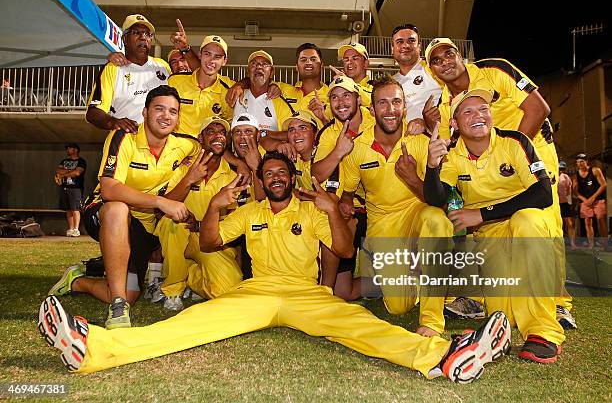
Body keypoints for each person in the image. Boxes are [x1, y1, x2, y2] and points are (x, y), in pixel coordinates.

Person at [39, 152, 511, 384]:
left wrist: (329, 209)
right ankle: (94, 349)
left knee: (359, 325)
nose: (277, 177)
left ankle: (442, 358)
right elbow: (207, 241)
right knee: (192, 325)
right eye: (269, 174)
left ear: (291, 177)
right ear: (262, 181)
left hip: (308, 295)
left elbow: (345, 251)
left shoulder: (311, 209)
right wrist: (217, 207)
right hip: (257, 292)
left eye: (283, 171)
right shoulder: (251, 212)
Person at [424, 37, 574, 323]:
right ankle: (478, 296)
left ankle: (557, 302)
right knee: (479, 224)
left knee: (545, 219)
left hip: (529, 149)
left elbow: (538, 108)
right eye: (437, 60)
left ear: (460, 56)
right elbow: (451, 147)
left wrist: (509, 152)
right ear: (432, 70)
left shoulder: (495, 69)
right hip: (489, 162)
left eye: (449, 54)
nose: (445, 62)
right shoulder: (444, 106)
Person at [424, 88, 565, 363]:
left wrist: (482, 213)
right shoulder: (453, 154)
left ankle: (543, 332)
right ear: (454, 123)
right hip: (492, 235)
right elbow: (436, 197)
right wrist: (432, 166)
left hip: (527, 223)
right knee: (503, 318)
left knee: (527, 219)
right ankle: (505, 321)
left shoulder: (515, 141)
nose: (478, 115)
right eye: (468, 111)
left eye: (483, 109)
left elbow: (543, 194)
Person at [47, 85, 199, 329]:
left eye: (173, 111)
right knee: (119, 208)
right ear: (146, 112)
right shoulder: (123, 137)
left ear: (178, 118)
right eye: (159, 109)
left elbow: (215, 147)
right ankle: (118, 307)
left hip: (143, 226)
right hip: (106, 212)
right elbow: (109, 188)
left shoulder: (185, 145)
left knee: (132, 293)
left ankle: (79, 279)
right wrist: (161, 201)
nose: (166, 116)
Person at [340, 76, 454, 337]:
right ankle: (418, 271)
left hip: (417, 213)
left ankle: (432, 321)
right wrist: (345, 204)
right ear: (371, 109)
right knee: (398, 307)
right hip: (383, 226)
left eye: (396, 102)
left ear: (404, 107)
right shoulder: (357, 148)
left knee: (436, 220)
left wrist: (413, 178)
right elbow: (347, 194)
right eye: (383, 103)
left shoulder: (421, 142)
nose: (390, 110)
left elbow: (438, 200)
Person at [153, 117, 245, 311]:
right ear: (201, 139)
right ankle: (173, 290)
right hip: (181, 233)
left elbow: (233, 223)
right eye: (211, 131)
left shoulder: (231, 177)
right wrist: (189, 180)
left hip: (208, 240)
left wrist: (201, 225)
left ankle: (192, 276)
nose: (218, 135)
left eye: (222, 132)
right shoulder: (183, 168)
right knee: (173, 223)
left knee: (228, 289)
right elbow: (162, 209)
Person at [311, 76, 376, 300]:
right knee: (342, 293)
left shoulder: (377, 121)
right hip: (350, 208)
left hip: (383, 207)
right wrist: (338, 151)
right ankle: (326, 292)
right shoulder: (330, 132)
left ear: (358, 98)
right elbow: (316, 175)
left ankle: (401, 277)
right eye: (335, 97)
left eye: (346, 95)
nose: (341, 102)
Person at [86, 14, 170, 133]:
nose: (143, 37)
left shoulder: (163, 66)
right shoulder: (113, 68)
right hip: (127, 142)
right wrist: (114, 122)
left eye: (147, 34)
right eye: (136, 32)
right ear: (125, 39)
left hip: (160, 145)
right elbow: (93, 113)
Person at [167, 35, 235, 136]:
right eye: (207, 54)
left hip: (207, 150)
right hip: (177, 147)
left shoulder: (229, 89)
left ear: (224, 61)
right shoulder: (175, 81)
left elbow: (229, 126)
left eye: (217, 57)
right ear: (200, 55)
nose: (211, 60)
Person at [232, 50, 296, 135]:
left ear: (271, 73)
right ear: (247, 72)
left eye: (264, 64)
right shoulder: (237, 96)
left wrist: (263, 134)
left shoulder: (280, 100)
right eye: (253, 64)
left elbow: (291, 133)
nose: (258, 67)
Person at [391, 23, 442, 122]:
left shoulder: (434, 69)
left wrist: (426, 123)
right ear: (392, 49)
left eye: (411, 41)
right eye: (399, 42)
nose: (405, 45)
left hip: (434, 136)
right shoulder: (390, 82)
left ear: (419, 46)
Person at [574, 153, 608, 249]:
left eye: (582, 161)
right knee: (587, 222)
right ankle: (591, 244)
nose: (580, 164)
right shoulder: (576, 176)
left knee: (600, 219)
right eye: (578, 162)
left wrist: (593, 198)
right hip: (585, 201)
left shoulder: (595, 170)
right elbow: (575, 191)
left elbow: (603, 184)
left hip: (598, 200)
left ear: (586, 161)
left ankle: (605, 244)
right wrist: (585, 200)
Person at [56, 143, 87, 237]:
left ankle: (76, 229)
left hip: (75, 188)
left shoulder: (81, 161)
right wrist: (70, 171)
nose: (67, 150)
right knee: (68, 209)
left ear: (75, 150)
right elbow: (58, 171)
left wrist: (64, 174)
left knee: (75, 208)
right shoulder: (64, 161)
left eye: (69, 148)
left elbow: (77, 173)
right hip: (64, 187)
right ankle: (70, 228)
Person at [334, 42, 373, 107]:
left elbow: (373, 100)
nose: (349, 62)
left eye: (355, 58)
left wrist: (347, 83)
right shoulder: (335, 87)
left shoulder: (377, 86)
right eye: (346, 59)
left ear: (366, 63)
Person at [558, 161, 576, 250]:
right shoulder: (552, 175)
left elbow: (569, 189)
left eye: (562, 169)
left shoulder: (565, 177)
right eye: (559, 169)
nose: (561, 171)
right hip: (555, 204)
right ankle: (558, 244)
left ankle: (573, 244)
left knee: (569, 223)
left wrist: (565, 197)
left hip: (564, 203)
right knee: (557, 224)